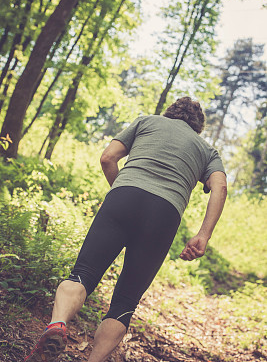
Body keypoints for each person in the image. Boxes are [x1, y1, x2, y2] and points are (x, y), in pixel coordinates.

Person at [24, 96, 227, 362]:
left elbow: (108, 157)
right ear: (198, 127)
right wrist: (203, 234)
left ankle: (57, 323)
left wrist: (122, 190)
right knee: (125, 302)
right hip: (165, 214)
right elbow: (220, 187)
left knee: (83, 274)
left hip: (124, 196)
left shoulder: (146, 122)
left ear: (169, 114)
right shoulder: (206, 150)